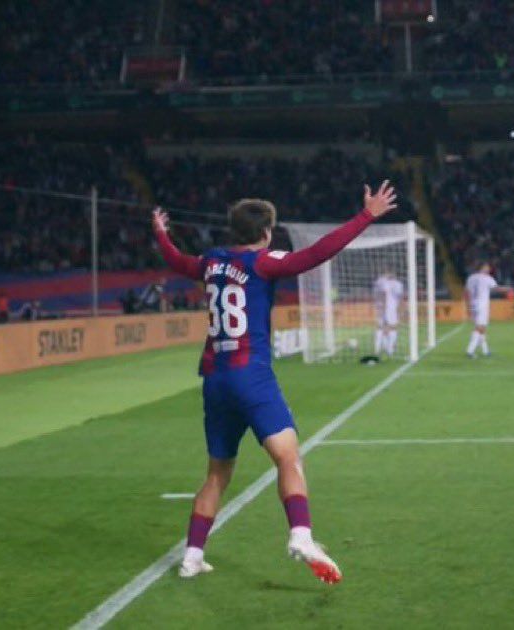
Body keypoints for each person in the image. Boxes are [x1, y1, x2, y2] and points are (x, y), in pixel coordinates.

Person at [152, 180, 397, 584]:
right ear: (265, 233)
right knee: (288, 458)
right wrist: (366, 215)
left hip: (214, 378)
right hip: (251, 375)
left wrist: (161, 232)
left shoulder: (211, 261)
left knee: (217, 472)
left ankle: (192, 557)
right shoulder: (263, 263)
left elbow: (176, 260)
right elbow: (319, 253)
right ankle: (301, 535)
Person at [464, 262, 498, 358]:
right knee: (479, 328)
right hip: (482, 304)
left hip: (473, 304)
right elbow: (496, 289)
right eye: (487, 267)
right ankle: (470, 351)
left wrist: (468, 306)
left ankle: (485, 351)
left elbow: (467, 292)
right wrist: (508, 289)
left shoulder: (471, 278)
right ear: (482, 268)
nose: (489, 269)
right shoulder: (487, 278)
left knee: (482, 328)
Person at [373, 271, 403, 357]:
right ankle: (389, 349)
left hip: (383, 307)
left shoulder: (380, 281)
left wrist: (380, 307)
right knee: (391, 328)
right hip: (390, 308)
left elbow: (379, 294)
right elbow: (399, 298)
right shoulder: (397, 284)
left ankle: (379, 349)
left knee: (381, 328)